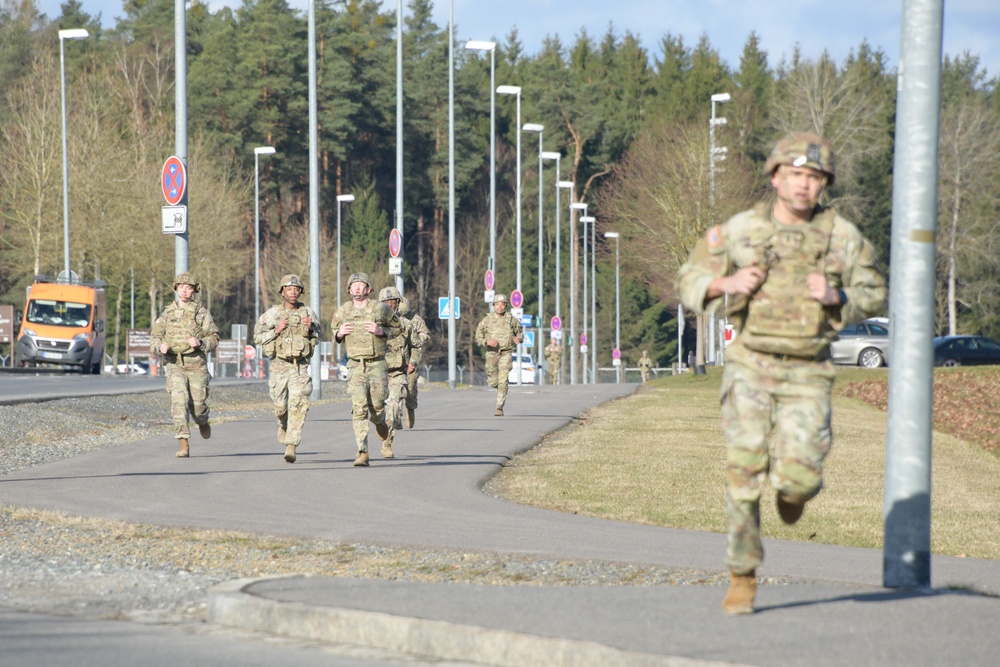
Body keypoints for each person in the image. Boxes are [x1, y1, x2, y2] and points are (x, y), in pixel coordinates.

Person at [677, 132, 887, 615]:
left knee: (800, 480)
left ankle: (793, 491)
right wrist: (725, 282)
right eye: (794, 175)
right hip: (751, 363)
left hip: (808, 370)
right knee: (744, 466)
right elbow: (689, 278)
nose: (803, 185)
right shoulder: (740, 230)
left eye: (813, 177)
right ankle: (742, 574)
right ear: (775, 177)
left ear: (823, 183)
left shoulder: (843, 236)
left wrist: (839, 299)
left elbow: (874, 290)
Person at [330, 272, 400, 467]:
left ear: (368, 289)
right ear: (349, 289)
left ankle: (380, 422)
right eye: (354, 285)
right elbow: (333, 330)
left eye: (361, 285)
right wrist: (339, 334)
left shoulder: (381, 309)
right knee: (359, 408)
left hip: (377, 364)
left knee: (377, 405)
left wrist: (381, 332)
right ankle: (362, 451)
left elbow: (399, 328)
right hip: (355, 365)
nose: (358, 288)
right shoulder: (343, 311)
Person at [150, 272, 220, 458]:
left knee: (197, 406)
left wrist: (201, 343)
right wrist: (160, 347)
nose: (184, 290)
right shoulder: (166, 314)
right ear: (176, 288)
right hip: (175, 365)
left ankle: (202, 421)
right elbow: (154, 339)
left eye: (188, 288)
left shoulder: (201, 313)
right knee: (178, 402)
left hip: (196, 365)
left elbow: (214, 337)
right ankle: (183, 442)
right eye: (181, 287)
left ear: (194, 291)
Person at [253, 274, 320, 463]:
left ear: (300, 292)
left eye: (296, 289)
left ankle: (291, 445)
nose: (293, 292)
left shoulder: (307, 313)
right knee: (280, 406)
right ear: (282, 292)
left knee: (298, 404)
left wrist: (311, 328)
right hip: (279, 366)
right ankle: (283, 424)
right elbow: (257, 337)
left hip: (299, 366)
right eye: (289, 289)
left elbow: (317, 336)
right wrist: (275, 331)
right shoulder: (273, 314)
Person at [378, 286, 414, 458]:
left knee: (392, 407)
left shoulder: (406, 325)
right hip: (377, 373)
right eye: (386, 302)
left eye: (393, 302)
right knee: (376, 410)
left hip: (397, 373)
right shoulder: (373, 324)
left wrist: (413, 361)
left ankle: (387, 443)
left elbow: (416, 346)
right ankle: (382, 425)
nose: (390, 305)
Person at [474, 293, 523, 416]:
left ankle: (499, 407)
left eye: (502, 304)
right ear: (493, 305)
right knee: (493, 382)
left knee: (503, 380)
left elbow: (520, 333)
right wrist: (487, 341)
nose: (500, 307)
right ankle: (500, 388)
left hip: (506, 353)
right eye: (497, 304)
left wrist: (519, 339)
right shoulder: (486, 320)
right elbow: (478, 337)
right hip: (492, 354)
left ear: (505, 305)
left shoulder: (511, 320)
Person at [398, 296, 430, 428]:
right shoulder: (390, 318)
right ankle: (397, 418)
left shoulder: (415, 319)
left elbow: (425, 334)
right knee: (396, 391)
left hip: (411, 358)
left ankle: (410, 408)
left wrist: (416, 340)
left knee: (410, 389)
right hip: (395, 360)